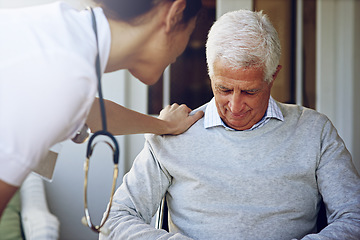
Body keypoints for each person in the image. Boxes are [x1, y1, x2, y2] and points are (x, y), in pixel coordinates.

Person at [100, 9, 360, 240]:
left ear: (273, 77)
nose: (234, 107)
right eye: (223, 89)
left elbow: (354, 217)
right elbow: (114, 222)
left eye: (249, 91)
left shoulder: (315, 131)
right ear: (210, 73)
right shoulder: (173, 134)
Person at [0, 0, 204, 218]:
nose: (182, 50)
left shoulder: (65, 36)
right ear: (175, 14)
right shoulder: (63, 72)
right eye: (191, 31)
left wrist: (165, 125)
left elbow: (93, 113)